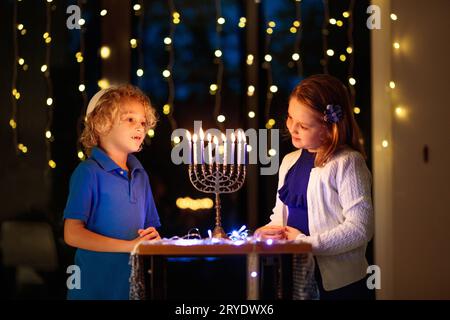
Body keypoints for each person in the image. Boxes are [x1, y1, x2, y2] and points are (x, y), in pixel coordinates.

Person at [255, 74, 374, 300]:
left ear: (329, 128)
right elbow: (281, 217)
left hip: (339, 288)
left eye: (303, 125)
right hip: (297, 278)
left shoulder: (347, 162)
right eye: (290, 118)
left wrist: (306, 244)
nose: (292, 128)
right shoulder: (289, 161)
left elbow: (360, 229)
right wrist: (270, 231)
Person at [63, 84, 161, 300]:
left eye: (143, 122)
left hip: (129, 291)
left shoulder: (140, 176)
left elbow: (148, 231)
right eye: (130, 119)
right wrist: (127, 246)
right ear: (101, 124)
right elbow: (71, 234)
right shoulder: (88, 172)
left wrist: (152, 238)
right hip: (91, 290)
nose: (140, 127)